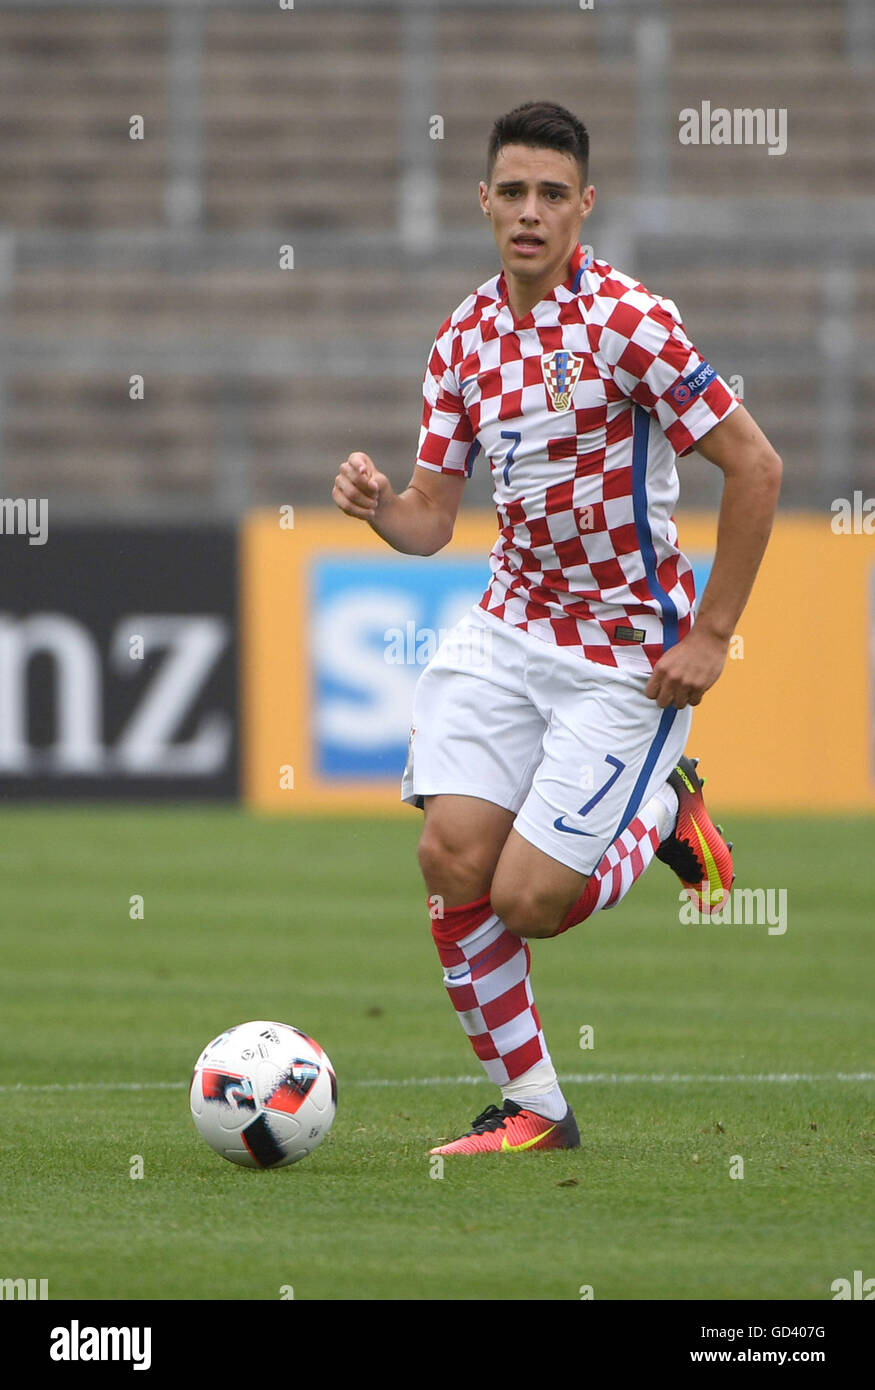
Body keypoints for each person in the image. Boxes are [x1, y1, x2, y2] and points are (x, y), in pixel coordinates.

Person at [332, 101, 782, 1156]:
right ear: (481, 200)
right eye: (510, 192)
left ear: (583, 204)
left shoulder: (631, 322)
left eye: (549, 194)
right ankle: (533, 1108)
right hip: (505, 630)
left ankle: (665, 820)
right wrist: (376, 502)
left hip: (623, 657)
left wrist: (710, 632)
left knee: (527, 898)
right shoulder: (462, 337)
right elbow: (431, 522)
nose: (527, 213)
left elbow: (755, 466)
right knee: (450, 858)